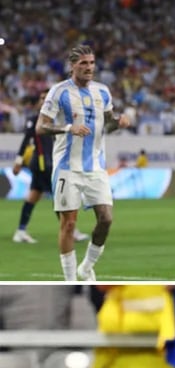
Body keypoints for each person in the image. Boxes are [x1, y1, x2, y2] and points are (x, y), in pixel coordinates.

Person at [37, 44, 132, 281]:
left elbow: (107, 123)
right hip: (67, 168)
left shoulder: (103, 92)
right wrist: (69, 128)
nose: (89, 67)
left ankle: (87, 266)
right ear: (72, 66)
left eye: (91, 63)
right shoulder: (58, 92)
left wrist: (118, 122)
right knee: (69, 224)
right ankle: (70, 279)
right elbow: (41, 126)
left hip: (95, 167)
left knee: (106, 218)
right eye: (83, 64)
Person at [11, 92, 88, 244]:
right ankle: (70, 230)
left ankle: (21, 230)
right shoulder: (35, 120)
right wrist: (18, 161)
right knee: (60, 196)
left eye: (47, 99)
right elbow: (26, 141)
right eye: (41, 98)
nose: (44, 101)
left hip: (51, 163)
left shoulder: (56, 120)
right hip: (42, 164)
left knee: (34, 196)